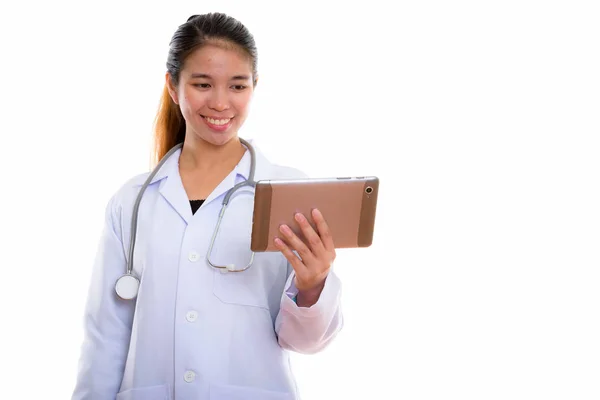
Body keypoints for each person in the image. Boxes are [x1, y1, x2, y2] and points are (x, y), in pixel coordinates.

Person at [71, 12, 343, 400]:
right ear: (172, 85)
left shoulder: (287, 191)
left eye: (237, 86)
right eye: (202, 84)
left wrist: (312, 285)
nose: (220, 102)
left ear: (254, 87)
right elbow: (105, 336)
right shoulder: (132, 201)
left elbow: (305, 342)